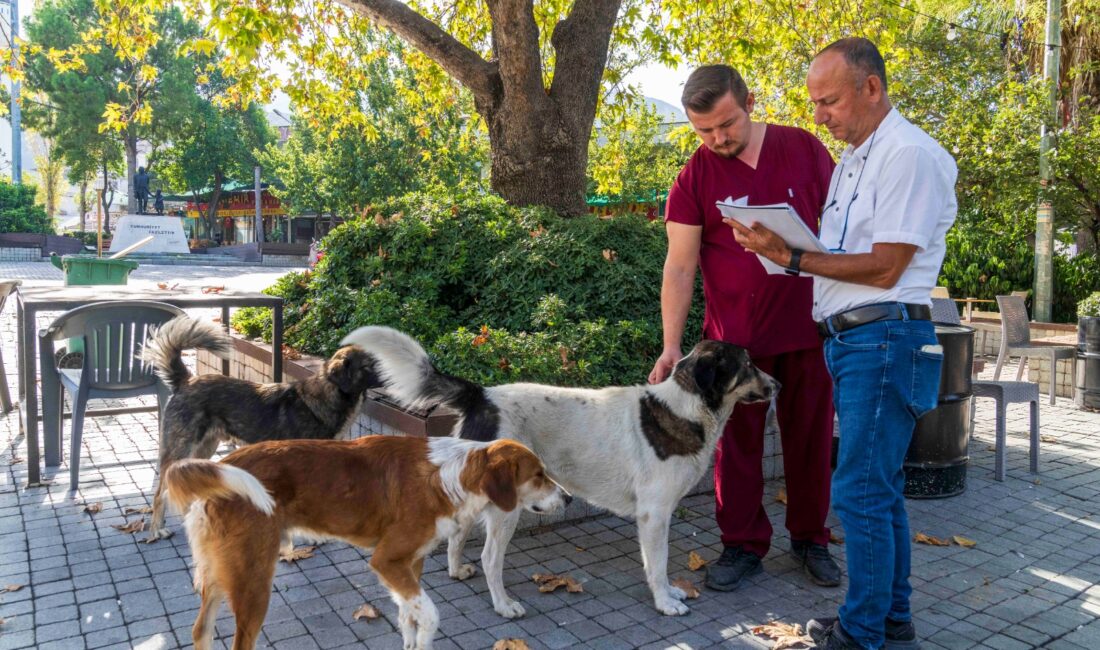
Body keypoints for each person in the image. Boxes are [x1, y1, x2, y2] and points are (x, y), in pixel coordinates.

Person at [728, 38, 957, 650]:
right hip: (858, 341)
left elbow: (885, 267)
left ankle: (860, 635)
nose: (819, 115)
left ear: (872, 89)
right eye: (814, 103)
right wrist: (786, 252)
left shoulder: (906, 154)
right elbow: (844, 258)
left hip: (882, 338)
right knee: (875, 491)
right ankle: (887, 621)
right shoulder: (857, 160)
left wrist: (792, 256)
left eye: (828, 101)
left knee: (856, 490)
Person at [648, 64, 841, 592]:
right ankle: (741, 545)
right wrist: (671, 346)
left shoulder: (804, 149)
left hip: (809, 329)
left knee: (811, 439)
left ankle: (811, 539)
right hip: (734, 348)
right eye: (704, 130)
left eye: (726, 124)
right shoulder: (694, 176)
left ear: (749, 101)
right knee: (735, 449)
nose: (717, 138)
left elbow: (844, 227)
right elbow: (680, 267)